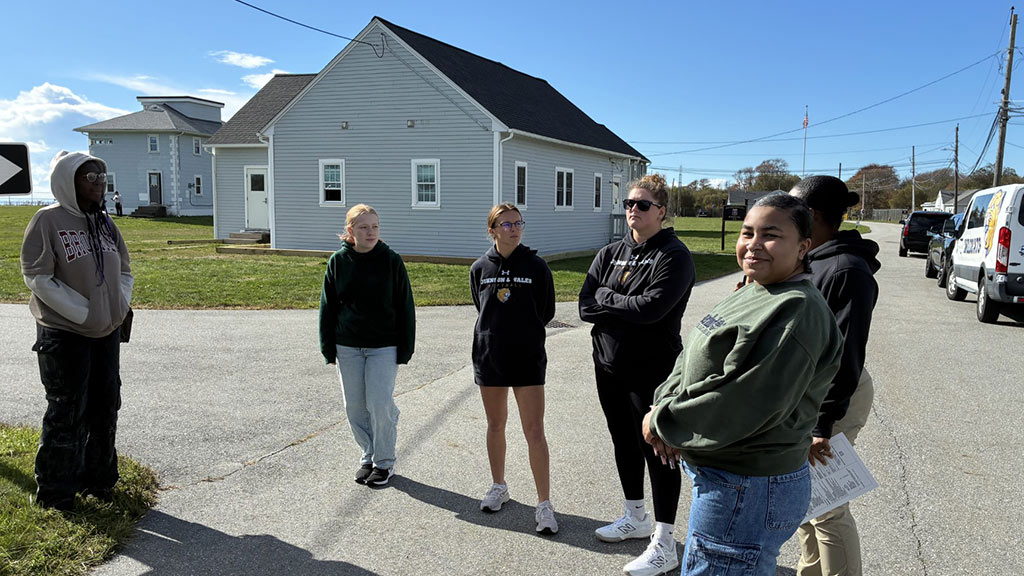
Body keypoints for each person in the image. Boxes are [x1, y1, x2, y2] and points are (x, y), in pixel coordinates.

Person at [642, 193, 844, 576]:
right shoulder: (755, 288)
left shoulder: (796, 309)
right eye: (747, 232)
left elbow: (745, 399)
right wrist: (662, 402)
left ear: (803, 246)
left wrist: (663, 421)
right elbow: (690, 356)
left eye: (770, 234)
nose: (753, 244)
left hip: (748, 486)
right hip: (728, 478)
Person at [579, 173, 695, 575]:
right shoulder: (610, 252)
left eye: (642, 204)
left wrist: (608, 298)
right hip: (608, 364)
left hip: (653, 370)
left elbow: (652, 310)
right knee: (623, 442)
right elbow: (584, 306)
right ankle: (635, 516)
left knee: (658, 449)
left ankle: (665, 543)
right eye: (629, 203)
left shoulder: (674, 255)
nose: (633, 210)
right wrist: (622, 302)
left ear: (661, 211)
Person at [21, 151, 133, 511]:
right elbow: (37, 275)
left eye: (102, 177)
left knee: (105, 406)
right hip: (65, 334)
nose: (99, 184)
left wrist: (114, 307)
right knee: (67, 411)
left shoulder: (105, 224)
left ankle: (99, 483)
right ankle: (56, 494)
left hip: (107, 332)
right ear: (68, 180)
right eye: (90, 177)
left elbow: (125, 269)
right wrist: (84, 313)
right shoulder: (47, 221)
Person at [790, 176, 880, 576]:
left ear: (809, 215)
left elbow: (845, 356)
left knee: (827, 505)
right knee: (806, 501)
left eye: (790, 210)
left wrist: (822, 423)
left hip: (831, 399)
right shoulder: (813, 258)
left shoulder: (846, 269)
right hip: (805, 395)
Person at [470, 203, 558, 535]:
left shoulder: (536, 266)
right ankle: (498, 486)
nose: (514, 229)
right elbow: (482, 309)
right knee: (496, 425)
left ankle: (544, 504)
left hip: (527, 358)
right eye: (506, 225)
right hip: (490, 356)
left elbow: (546, 310)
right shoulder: (480, 267)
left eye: (518, 223)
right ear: (492, 230)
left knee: (534, 431)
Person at [319, 204, 415, 487]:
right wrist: (328, 347)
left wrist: (405, 347)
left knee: (380, 403)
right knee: (355, 406)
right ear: (350, 231)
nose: (370, 232)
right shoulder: (339, 261)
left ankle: (384, 463)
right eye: (363, 227)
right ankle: (368, 455)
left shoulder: (391, 260)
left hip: (383, 346)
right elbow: (328, 307)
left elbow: (405, 306)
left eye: (374, 226)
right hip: (347, 345)